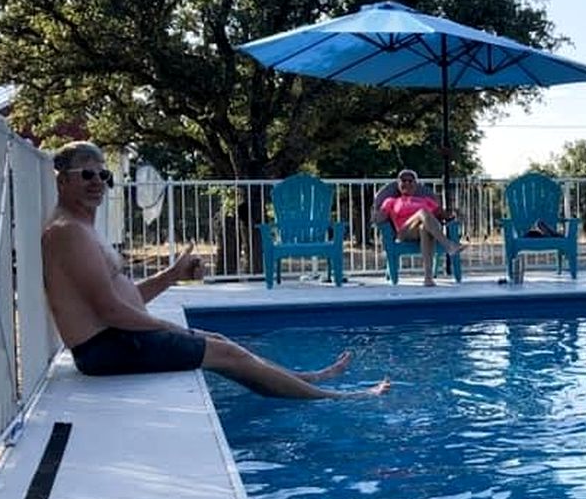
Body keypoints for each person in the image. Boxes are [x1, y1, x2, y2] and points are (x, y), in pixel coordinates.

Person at [42, 141, 389, 400]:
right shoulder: (68, 232)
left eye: (103, 174)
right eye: (86, 174)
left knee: (219, 341)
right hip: (104, 350)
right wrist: (170, 329)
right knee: (224, 352)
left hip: (113, 341)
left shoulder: (80, 227)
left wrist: (173, 275)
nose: (97, 182)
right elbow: (111, 310)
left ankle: (304, 378)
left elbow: (124, 295)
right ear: (61, 181)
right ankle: (337, 399)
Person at [372, 168, 465, 286]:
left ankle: (428, 278)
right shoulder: (391, 201)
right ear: (398, 184)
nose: (407, 183)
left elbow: (443, 215)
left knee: (424, 228)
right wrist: (376, 214)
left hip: (426, 228)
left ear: (415, 184)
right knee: (423, 212)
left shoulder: (426, 200)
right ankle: (448, 245)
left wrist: (454, 214)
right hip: (404, 232)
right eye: (403, 181)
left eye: (410, 181)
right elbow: (379, 219)